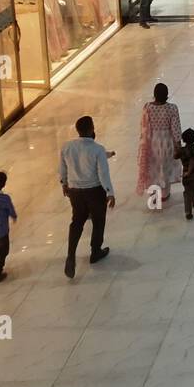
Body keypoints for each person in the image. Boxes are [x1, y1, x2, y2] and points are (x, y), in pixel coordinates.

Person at [59, 115, 115, 279]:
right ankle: (95, 251)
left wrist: (64, 183)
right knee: (98, 220)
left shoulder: (67, 147)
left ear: (78, 130)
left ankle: (71, 254)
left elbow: (62, 167)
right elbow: (103, 173)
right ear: (91, 128)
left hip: (75, 191)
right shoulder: (97, 148)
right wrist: (110, 192)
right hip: (94, 191)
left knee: (77, 221)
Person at [135, 81, 182, 202]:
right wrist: (178, 145)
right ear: (167, 95)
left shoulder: (148, 108)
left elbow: (144, 126)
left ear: (154, 95)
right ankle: (165, 194)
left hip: (153, 142)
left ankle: (154, 192)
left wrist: (144, 143)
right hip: (167, 142)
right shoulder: (172, 108)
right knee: (164, 168)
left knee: (154, 168)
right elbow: (175, 129)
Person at [176, 128, 194, 220]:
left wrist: (177, 146)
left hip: (186, 174)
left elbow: (175, 156)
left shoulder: (182, 151)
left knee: (187, 192)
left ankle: (188, 211)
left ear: (183, 140)